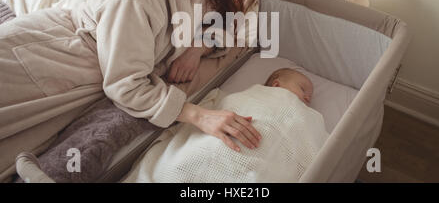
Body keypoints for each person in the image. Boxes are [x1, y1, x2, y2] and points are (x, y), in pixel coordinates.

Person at [0, 0, 261, 182]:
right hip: (53, 54)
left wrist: (195, 50)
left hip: (88, 68)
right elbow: (125, 85)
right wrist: (200, 116)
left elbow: (226, 23)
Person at [122, 68, 321, 183]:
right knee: (188, 163)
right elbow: (216, 104)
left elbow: (307, 140)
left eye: (309, 96)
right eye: (302, 89)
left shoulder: (303, 115)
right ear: (276, 86)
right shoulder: (248, 96)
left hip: (255, 161)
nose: (307, 97)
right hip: (212, 148)